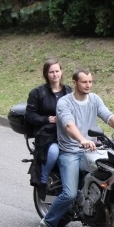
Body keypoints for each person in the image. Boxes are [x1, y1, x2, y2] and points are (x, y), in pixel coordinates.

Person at [38, 69, 114, 227]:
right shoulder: (64, 102)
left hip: (92, 150)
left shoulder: (94, 99)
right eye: (84, 82)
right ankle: (47, 223)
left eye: (90, 82)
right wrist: (82, 139)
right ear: (75, 83)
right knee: (70, 194)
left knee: (112, 175)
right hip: (70, 151)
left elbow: (109, 117)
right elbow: (69, 125)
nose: (88, 85)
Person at [25, 58, 72, 193]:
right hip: (47, 134)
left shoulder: (68, 91)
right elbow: (30, 115)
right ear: (46, 74)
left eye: (57, 71)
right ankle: (43, 179)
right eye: (51, 72)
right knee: (53, 152)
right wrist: (47, 119)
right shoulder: (37, 92)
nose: (55, 74)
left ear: (61, 72)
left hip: (67, 132)